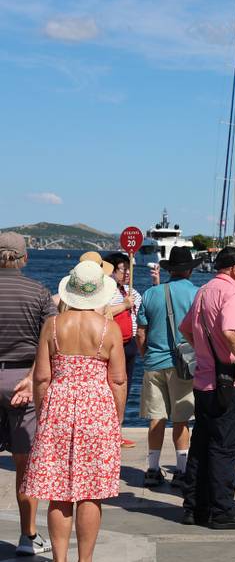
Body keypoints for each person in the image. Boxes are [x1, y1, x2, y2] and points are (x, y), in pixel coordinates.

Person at [23, 261, 127, 562]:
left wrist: (46, 412)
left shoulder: (53, 325)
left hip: (58, 404)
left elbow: (42, 377)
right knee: (90, 491)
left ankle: (60, 559)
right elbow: (118, 380)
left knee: (58, 491)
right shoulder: (108, 328)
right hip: (97, 409)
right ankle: (86, 560)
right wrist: (116, 419)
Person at [178, 245, 235, 530]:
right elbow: (229, 330)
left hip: (204, 379)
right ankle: (223, 509)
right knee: (225, 446)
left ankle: (195, 507)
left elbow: (185, 328)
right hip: (228, 380)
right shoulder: (231, 293)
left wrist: (203, 351)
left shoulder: (203, 291)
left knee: (202, 445)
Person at [0, 232, 56, 556]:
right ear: (24, 258)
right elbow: (50, 341)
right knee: (25, 463)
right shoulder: (39, 293)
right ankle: (27, 536)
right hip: (23, 380)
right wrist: (33, 376)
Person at [135, 246, 201, 488]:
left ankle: (152, 469)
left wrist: (146, 356)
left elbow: (140, 333)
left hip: (154, 362)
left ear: (170, 270)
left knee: (156, 418)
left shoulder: (151, 294)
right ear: (190, 271)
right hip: (183, 364)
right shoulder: (196, 294)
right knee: (182, 420)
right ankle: (181, 471)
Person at [103, 252, 142, 449]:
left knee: (124, 388)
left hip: (129, 344)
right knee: (111, 388)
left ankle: (117, 430)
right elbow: (102, 313)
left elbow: (140, 310)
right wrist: (124, 305)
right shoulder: (105, 290)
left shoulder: (129, 291)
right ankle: (107, 432)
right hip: (112, 345)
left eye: (128, 268)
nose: (127, 272)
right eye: (122, 269)